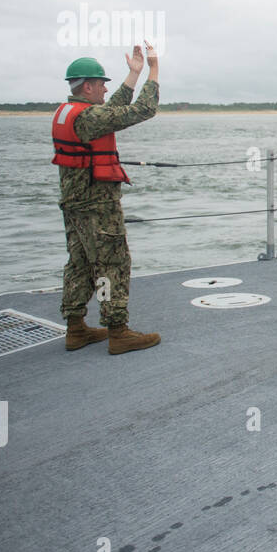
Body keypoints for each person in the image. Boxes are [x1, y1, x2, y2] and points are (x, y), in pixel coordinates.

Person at [54, 44, 162, 353]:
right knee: (113, 264)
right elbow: (143, 110)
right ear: (87, 86)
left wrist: (134, 73)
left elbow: (111, 109)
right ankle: (118, 331)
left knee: (79, 264)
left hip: (74, 205)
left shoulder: (72, 113)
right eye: (102, 84)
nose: (105, 89)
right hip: (97, 207)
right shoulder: (88, 118)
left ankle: (76, 329)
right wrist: (154, 70)